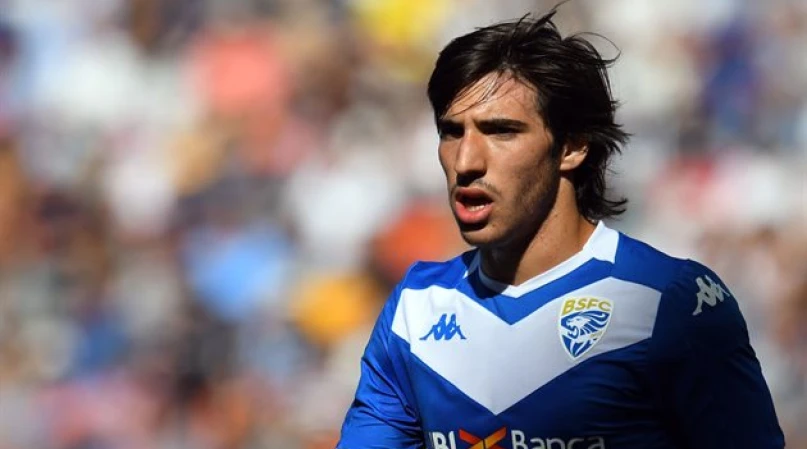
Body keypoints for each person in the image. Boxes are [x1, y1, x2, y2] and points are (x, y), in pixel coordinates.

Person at [337, 8, 784, 449]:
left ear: (572, 146)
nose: (466, 161)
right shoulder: (416, 309)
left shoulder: (670, 302)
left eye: (501, 131)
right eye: (452, 132)